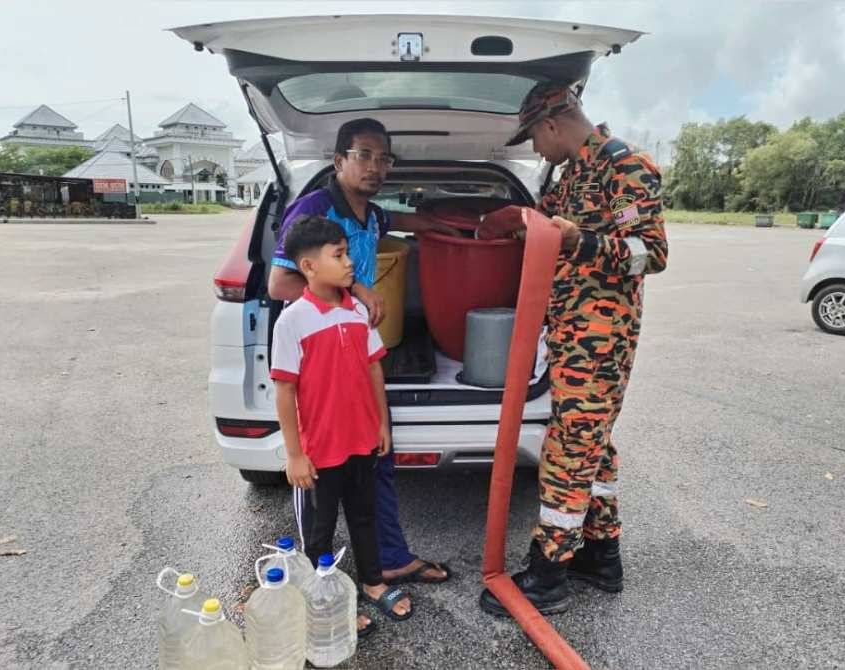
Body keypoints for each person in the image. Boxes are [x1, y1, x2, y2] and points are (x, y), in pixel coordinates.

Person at [478, 82, 669, 617]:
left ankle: (548, 575)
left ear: (555, 124)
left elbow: (651, 253)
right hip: (569, 335)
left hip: (602, 341)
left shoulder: (624, 165)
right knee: (594, 447)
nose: (536, 149)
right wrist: (508, 224)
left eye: (535, 137)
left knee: (566, 450)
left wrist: (578, 240)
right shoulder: (570, 176)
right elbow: (543, 227)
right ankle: (601, 557)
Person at [268, 118, 455, 588]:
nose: (375, 167)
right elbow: (281, 282)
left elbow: (402, 223)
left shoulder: (373, 214)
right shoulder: (314, 210)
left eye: (384, 158)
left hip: (364, 344)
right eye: (364, 156)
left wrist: (444, 224)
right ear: (339, 161)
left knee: (374, 461)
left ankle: (385, 560)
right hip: (324, 353)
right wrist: (358, 289)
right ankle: (324, 576)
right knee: (325, 484)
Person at [271, 215, 412, 636]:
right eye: (340, 255)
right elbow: (284, 391)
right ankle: (323, 596)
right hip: (321, 449)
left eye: (348, 252)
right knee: (319, 530)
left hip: (361, 441)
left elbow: (374, 371)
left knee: (364, 516)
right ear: (309, 266)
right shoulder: (292, 320)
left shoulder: (356, 311)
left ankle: (372, 582)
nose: (350, 263)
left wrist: (382, 425)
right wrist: (295, 453)